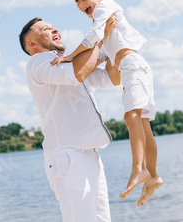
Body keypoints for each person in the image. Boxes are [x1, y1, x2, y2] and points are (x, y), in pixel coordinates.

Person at [51, 0, 163, 206]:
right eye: (76, 1)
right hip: (133, 68)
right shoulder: (103, 25)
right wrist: (76, 63)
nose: (81, 4)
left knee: (131, 117)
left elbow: (94, 37)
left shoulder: (105, 7)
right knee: (143, 124)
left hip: (133, 67)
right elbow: (100, 55)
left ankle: (137, 170)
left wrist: (71, 55)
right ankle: (152, 176)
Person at [19, 16, 120, 222]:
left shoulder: (68, 65)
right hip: (68, 154)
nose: (55, 29)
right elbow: (78, 72)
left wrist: (115, 43)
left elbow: (112, 78)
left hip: (88, 152)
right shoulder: (38, 62)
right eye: (46, 29)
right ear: (32, 43)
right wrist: (101, 37)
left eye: (54, 26)